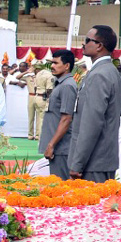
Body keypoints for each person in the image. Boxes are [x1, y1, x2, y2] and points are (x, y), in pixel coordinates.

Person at [68, 25, 121, 182]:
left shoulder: (100, 74)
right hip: (99, 160)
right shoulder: (107, 71)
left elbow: (92, 123)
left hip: (93, 162)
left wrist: (77, 163)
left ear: (99, 45)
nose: (83, 44)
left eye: (87, 40)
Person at [40, 49, 78, 180]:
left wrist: (51, 145)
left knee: (62, 187)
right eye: (52, 63)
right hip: (58, 147)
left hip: (61, 148)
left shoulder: (67, 86)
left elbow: (66, 118)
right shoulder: (60, 83)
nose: (52, 66)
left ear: (67, 66)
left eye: (56, 63)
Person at [31, 63, 54, 138]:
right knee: (43, 119)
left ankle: (39, 136)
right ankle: (42, 138)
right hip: (44, 98)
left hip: (37, 96)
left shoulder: (38, 74)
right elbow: (49, 90)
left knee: (39, 119)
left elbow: (34, 87)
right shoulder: (49, 75)